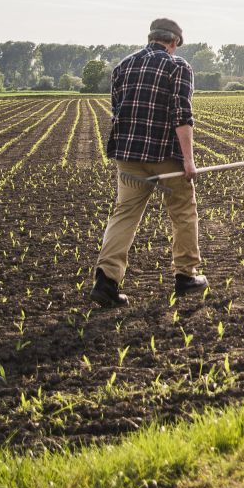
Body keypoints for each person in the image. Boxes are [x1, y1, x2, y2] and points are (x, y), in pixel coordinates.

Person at [90, 17, 207, 306]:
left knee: (125, 213)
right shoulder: (178, 66)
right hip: (165, 156)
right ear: (174, 42)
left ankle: (106, 281)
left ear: (151, 37)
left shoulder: (123, 66)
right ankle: (186, 276)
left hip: (128, 156)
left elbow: (118, 110)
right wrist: (189, 161)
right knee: (182, 210)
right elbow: (182, 115)